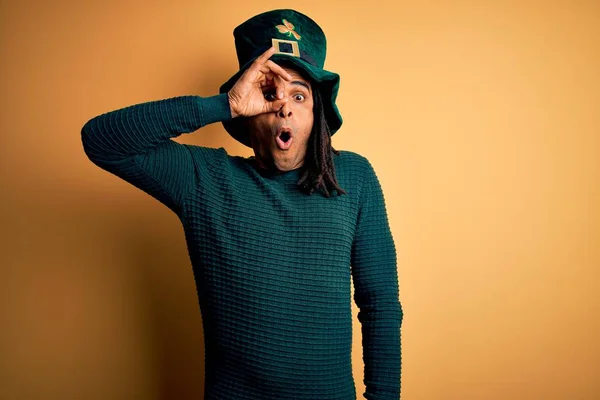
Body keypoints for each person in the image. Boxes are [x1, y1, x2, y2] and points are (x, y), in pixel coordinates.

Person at [81, 8, 403, 400]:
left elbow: (380, 303)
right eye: (269, 95)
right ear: (247, 114)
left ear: (317, 113)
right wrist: (222, 105)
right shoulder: (205, 179)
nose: (284, 107)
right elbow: (101, 141)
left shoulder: (354, 178)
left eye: (299, 95)